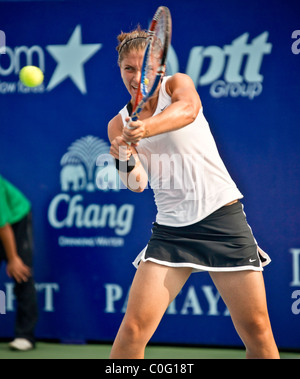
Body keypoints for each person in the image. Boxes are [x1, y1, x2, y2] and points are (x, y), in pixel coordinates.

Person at [107, 28, 280, 359]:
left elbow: (188, 110)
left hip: (221, 218)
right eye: (128, 69)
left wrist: (145, 129)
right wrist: (124, 157)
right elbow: (137, 183)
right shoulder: (118, 124)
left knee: (257, 330)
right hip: (171, 231)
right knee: (132, 330)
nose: (136, 75)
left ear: (158, 67)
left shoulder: (177, 85)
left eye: (143, 66)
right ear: (120, 70)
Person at [0, 174, 38, 351]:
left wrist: (13, 258)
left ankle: (25, 335)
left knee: (21, 273)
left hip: (15, 221)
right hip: (4, 224)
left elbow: (3, 225)